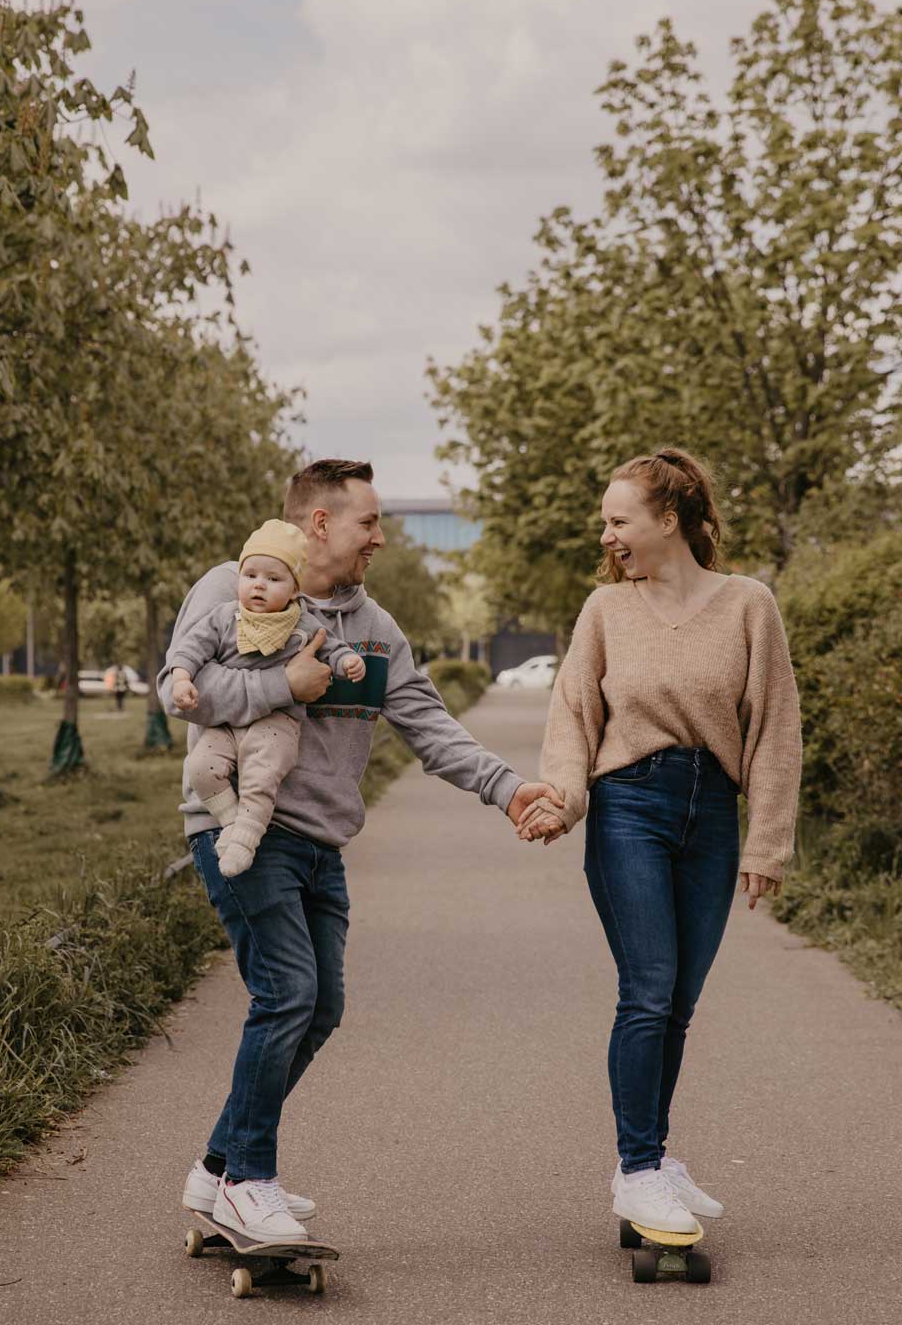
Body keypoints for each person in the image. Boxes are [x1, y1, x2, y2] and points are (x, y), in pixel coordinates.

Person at [160, 459, 564, 1243]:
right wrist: (288, 686)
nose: (380, 537)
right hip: (241, 826)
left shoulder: (375, 630)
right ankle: (251, 1180)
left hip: (322, 844)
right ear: (319, 523)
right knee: (286, 994)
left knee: (321, 1007)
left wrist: (508, 789)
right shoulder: (233, 584)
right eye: (368, 523)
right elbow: (183, 693)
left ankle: (217, 1172)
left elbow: (427, 724)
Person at [518, 447, 802, 1234]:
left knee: (678, 1003)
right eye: (605, 521)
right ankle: (639, 1168)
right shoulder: (604, 612)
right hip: (628, 809)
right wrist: (564, 801)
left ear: (667, 521)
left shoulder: (749, 604)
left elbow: (777, 726)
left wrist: (767, 841)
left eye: (618, 520)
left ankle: (650, 1160)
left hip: (712, 812)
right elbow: (573, 722)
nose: (605, 534)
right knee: (647, 989)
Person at [169, 519, 366, 877]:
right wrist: (182, 679)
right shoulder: (223, 618)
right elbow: (189, 651)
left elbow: (331, 648)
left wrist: (347, 661)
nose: (259, 585)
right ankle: (233, 824)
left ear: (293, 591)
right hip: (226, 724)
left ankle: (247, 837)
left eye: (273, 579)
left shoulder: (300, 624)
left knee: (262, 775)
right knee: (200, 767)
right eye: (251, 576)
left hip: (276, 723)